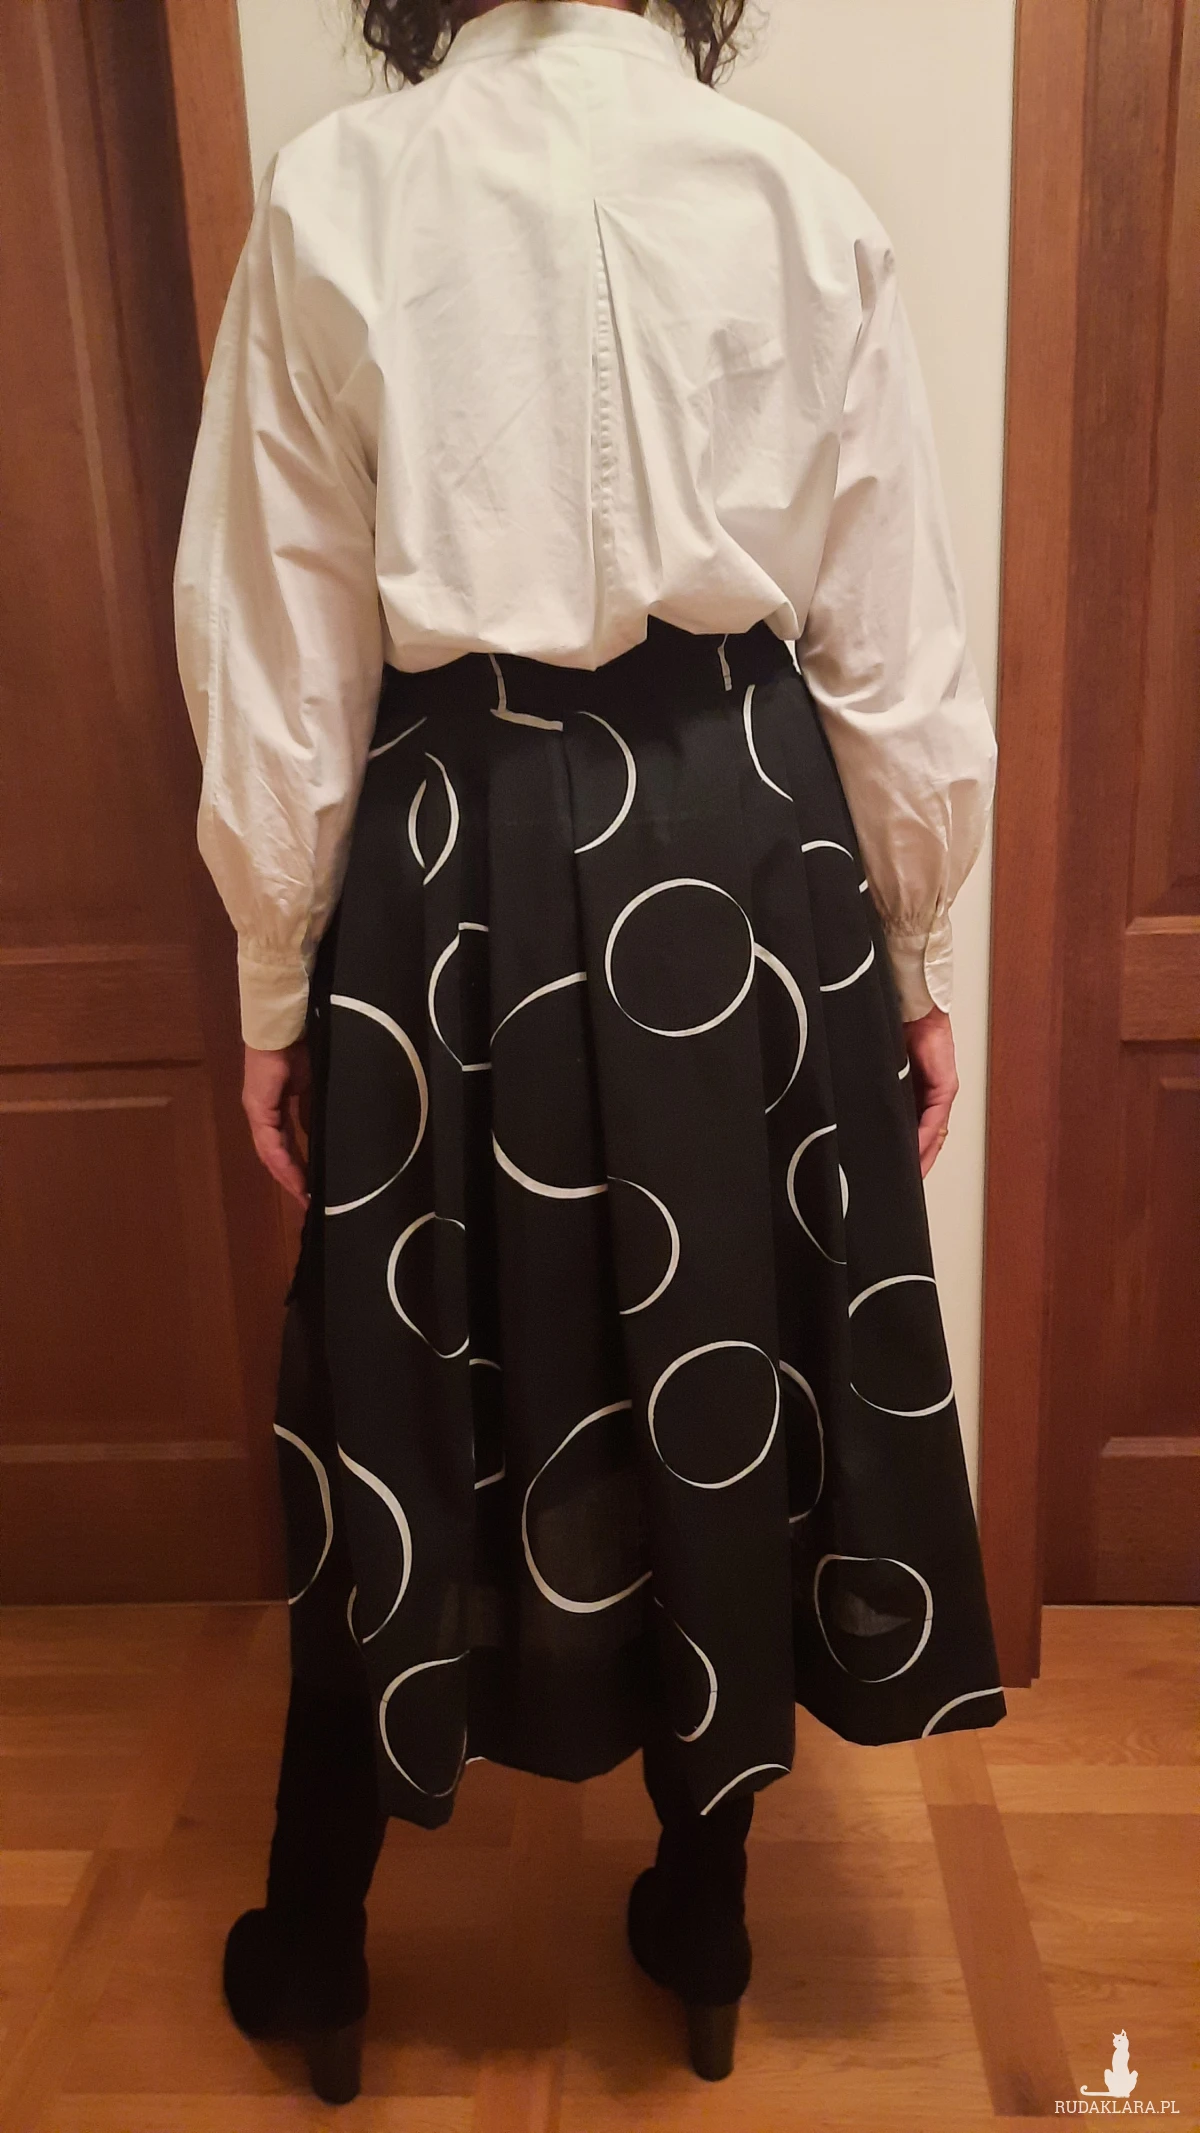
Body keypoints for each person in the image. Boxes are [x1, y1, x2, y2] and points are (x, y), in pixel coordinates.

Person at [173, 0, 1006, 2103]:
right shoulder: (798, 203)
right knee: (719, 1339)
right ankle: (703, 1909)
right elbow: (894, 639)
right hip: (745, 837)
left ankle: (318, 1943)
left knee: (405, 1359)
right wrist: (910, 948)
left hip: (449, 847)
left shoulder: (339, 196)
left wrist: (274, 979)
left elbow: (280, 642)